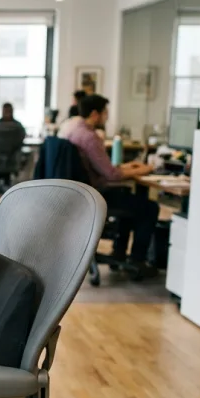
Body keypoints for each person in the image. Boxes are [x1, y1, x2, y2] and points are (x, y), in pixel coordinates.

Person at [61, 94, 158, 279]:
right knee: (149, 207)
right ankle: (137, 260)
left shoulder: (71, 129)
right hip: (96, 196)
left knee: (130, 199)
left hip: (80, 194)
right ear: (95, 114)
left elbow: (104, 168)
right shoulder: (90, 136)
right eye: (106, 112)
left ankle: (119, 253)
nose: (107, 116)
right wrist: (143, 170)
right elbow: (111, 174)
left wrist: (129, 168)